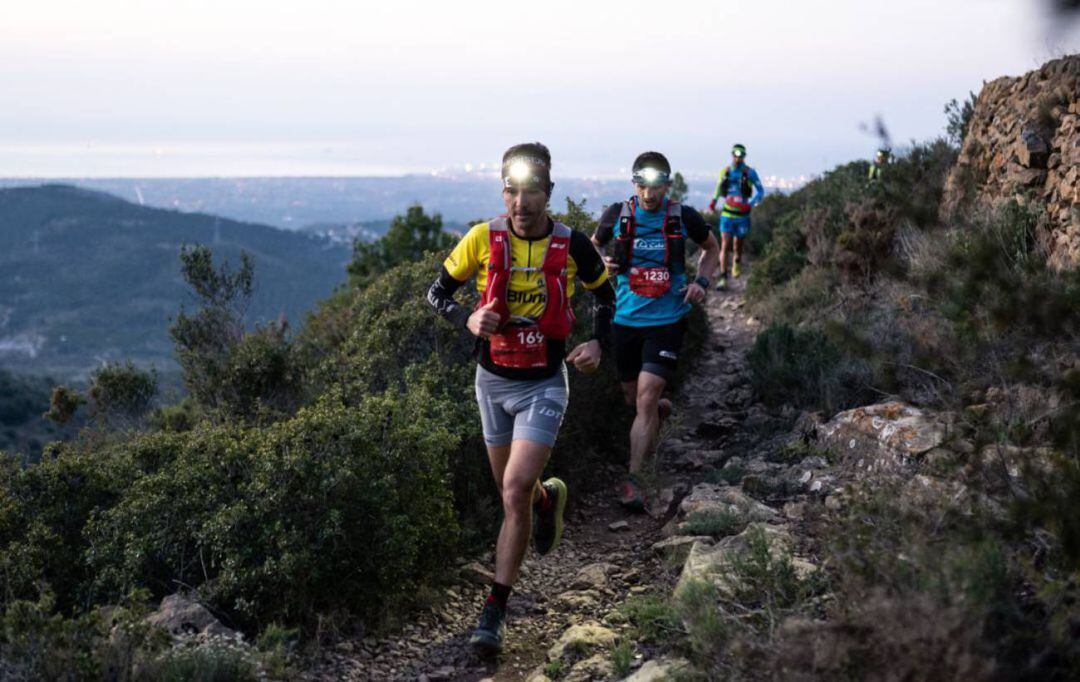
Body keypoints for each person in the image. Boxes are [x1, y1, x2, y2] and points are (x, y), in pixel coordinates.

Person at [426, 142, 615, 653]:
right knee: (515, 492)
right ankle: (548, 498)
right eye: (512, 190)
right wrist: (465, 317)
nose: (521, 202)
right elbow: (436, 294)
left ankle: (494, 611)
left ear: (548, 193)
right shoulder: (480, 239)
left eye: (532, 191)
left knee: (512, 491)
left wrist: (598, 341)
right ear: (502, 191)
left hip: (545, 382)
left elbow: (605, 294)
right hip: (492, 381)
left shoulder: (573, 245)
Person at [592, 152, 720, 512]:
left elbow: (713, 248)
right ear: (634, 183)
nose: (649, 192)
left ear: (667, 184)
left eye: (656, 185)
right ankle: (658, 415)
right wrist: (601, 261)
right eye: (642, 184)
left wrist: (702, 282)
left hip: (667, 320)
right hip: (625, 320)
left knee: (645, 399)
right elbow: (591, 246)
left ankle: (634, 480)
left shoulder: (684, 216)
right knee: (634, 401)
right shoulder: (616, 215)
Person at [707, 143, 764, 289]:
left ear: (744, 156)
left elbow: (760, 191)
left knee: (737, 245)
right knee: (724, 244)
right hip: (727, 214)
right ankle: (723, 277)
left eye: (741, 155)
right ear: (732, 155)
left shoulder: (749, 173)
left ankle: (736, 263)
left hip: (742, 216)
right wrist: (713, 202)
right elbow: (718, 188)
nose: (738, 158)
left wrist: (750, 204)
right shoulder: (725, 172)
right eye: (735, 154)